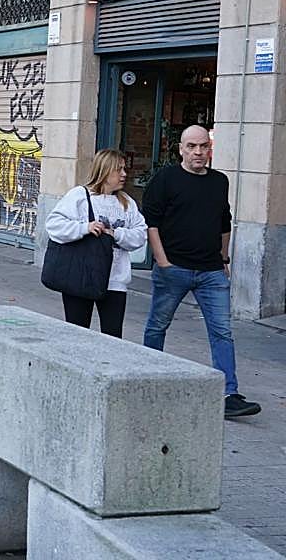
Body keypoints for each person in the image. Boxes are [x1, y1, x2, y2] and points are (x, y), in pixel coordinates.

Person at [142, 125, 261, 419]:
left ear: (210, 149)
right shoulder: (166, 178)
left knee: (222, 332)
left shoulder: (219, 181)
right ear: (181, 149)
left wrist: (224, 260)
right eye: (192, 146)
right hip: (174, 269)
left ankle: (228, 394)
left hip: (211, 272)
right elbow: (152, 222)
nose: (198, 152)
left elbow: (224, 222)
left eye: (204, 146)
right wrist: (162, 261)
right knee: (158, 326)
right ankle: (147, 379)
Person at [45, 149, 147, 338]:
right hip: (81, 276)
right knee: (77, 333)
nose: (124, 174)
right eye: (119, 169)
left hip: (115, 281)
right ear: (104, 170)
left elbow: (141, 236)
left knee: (113, 336)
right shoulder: (80, 196)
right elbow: (53, 226)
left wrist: (116, 234)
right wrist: (85, 227)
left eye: (124, 169)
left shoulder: (127, 203)